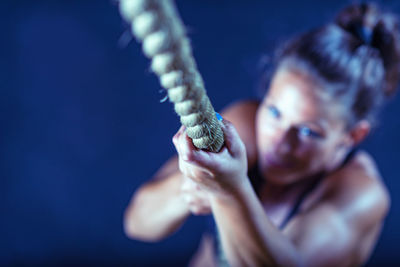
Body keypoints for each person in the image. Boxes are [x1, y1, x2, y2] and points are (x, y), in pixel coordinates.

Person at [123, 3, 399, 266]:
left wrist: (229, 191)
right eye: (275, 112)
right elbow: (137, 224)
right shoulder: (246, 127)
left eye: (307, 132)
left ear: (353, 136)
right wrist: (189, 187)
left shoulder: (360, 195)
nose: (279, 143)